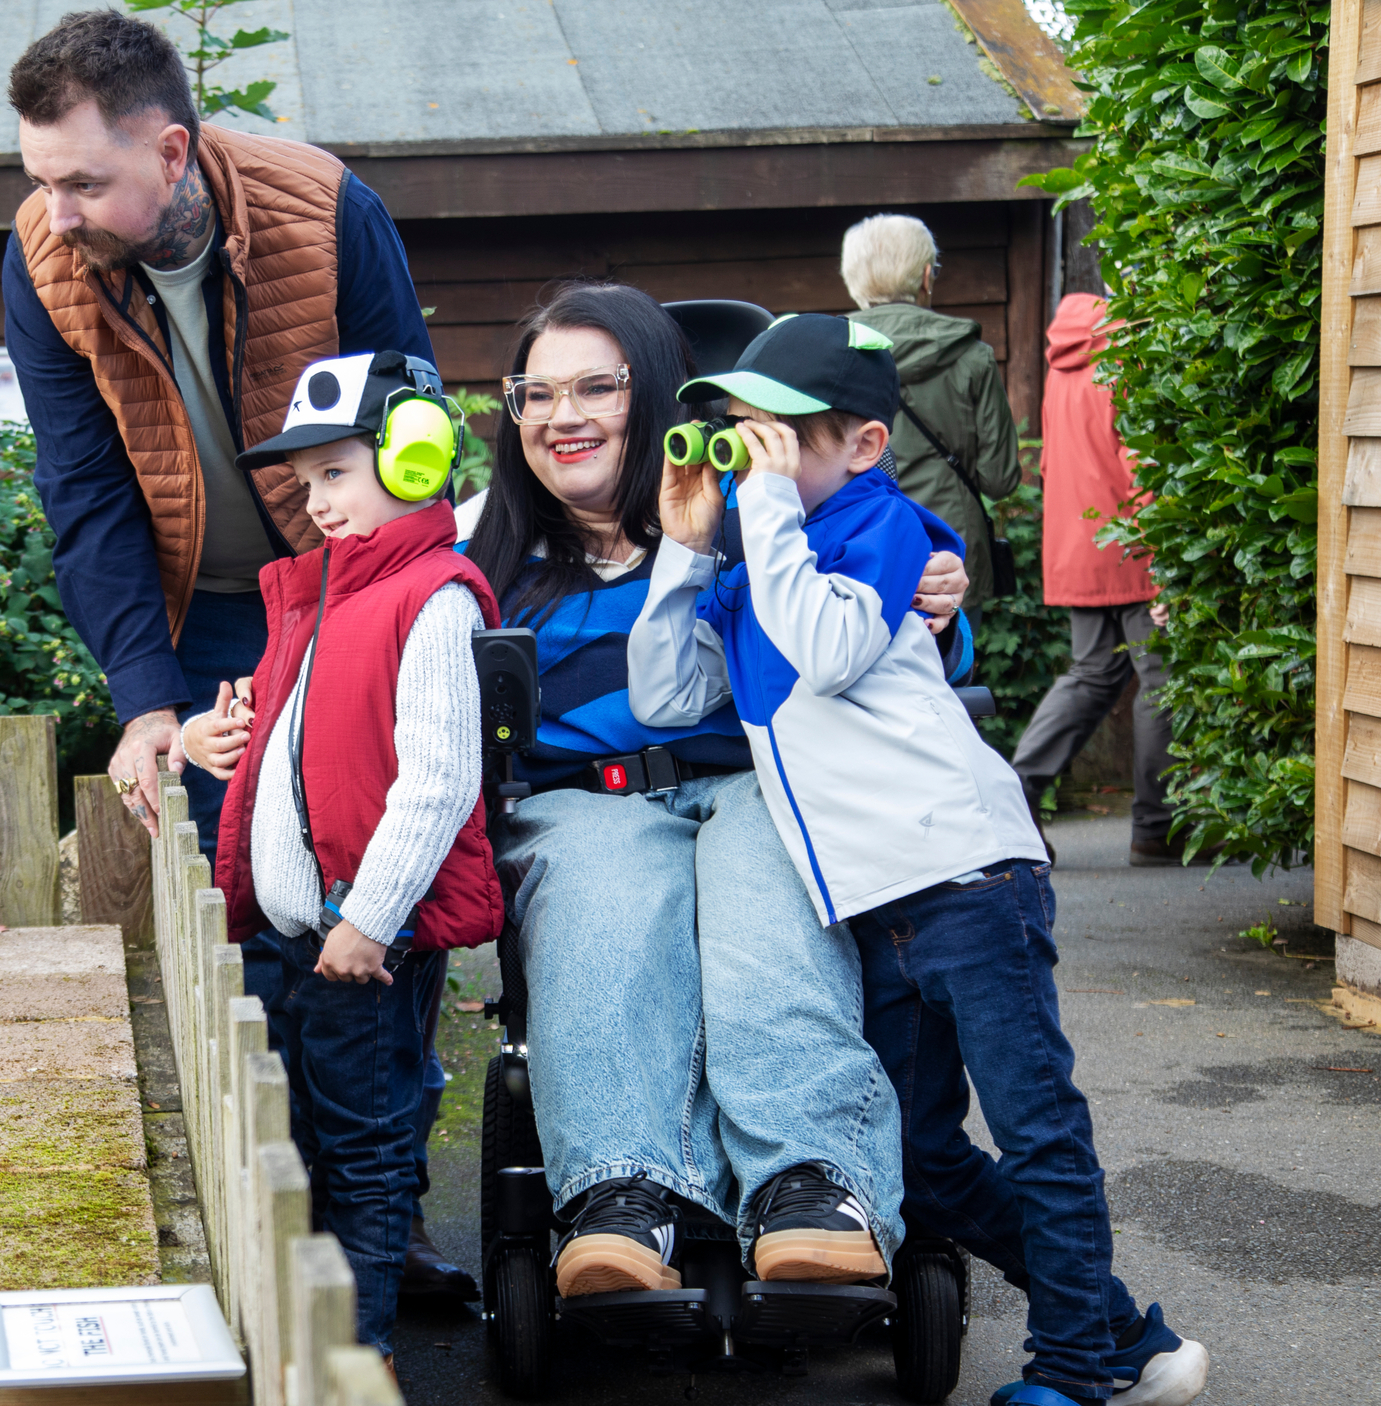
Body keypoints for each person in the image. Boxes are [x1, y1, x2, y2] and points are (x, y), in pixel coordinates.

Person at [630, 312, 1209, 1406]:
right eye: (738, 431)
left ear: (861, 444)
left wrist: (761, 515)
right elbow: (663, 693)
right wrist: (683, 545)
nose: (752, 455)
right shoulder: (763, 564)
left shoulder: (882, 525)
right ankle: (1123, 1332)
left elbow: (836, 649)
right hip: (874, 910)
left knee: (1038, 1129)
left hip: (969, 882)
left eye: (778, 436)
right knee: (920, 1158)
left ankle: (1077, 1369)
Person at [1, 10, 473, 1298]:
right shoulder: (43, 260)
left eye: (83, 181)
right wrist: (145, 698)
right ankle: (294, 1218)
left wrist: (392, 608)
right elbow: (83, 484)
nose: (57, 211)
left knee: (378, 889)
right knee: (258, 906)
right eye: (38, 179)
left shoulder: (325, 207)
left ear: (170, 147)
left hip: (353, 592)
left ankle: (390, 1206)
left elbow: (406, 416)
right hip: (209, 614)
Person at [457, 284, 976, 1299]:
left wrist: (937, 605)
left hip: (756, 778)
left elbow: (881, 615)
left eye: (596, 388)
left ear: (652, 393)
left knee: (765, 890)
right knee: (607, 895)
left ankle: (811, 1183)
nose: (563, 416)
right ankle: (621, 1191)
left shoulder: (761, 506)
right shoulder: (486, 548)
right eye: (537, 393)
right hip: (582, 800)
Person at [179, 350, 499, 1368]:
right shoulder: (318, 598)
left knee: (363, 1150)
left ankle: (356, 1359)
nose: (314, 499)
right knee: (312, 1141)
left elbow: (438, 779)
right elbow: (299, 746)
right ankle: (322, 1343)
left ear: (412, 462)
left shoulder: (430, 596)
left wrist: (371, 917)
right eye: (304, 479)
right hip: (300, 937)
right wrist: (207, 739)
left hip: (358, 943)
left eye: (336, 473)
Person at [1010, 292, 1188, 864]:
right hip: (1131, 543)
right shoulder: (1124, 362)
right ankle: (1156, 828)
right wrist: (1164, 554)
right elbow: (1143, 463)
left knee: (1093, 674)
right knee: (1160, 680)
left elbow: (1050, 464)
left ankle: (1016, 795)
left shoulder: (1062, 367)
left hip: (1079, 544)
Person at [845, 214, 1022, 618]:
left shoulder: (827, 355)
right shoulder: (971, 355)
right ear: (927, 276)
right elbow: (1000, 479)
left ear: (853, 282)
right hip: (947, 553)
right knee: (952, 673)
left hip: (856, 546)